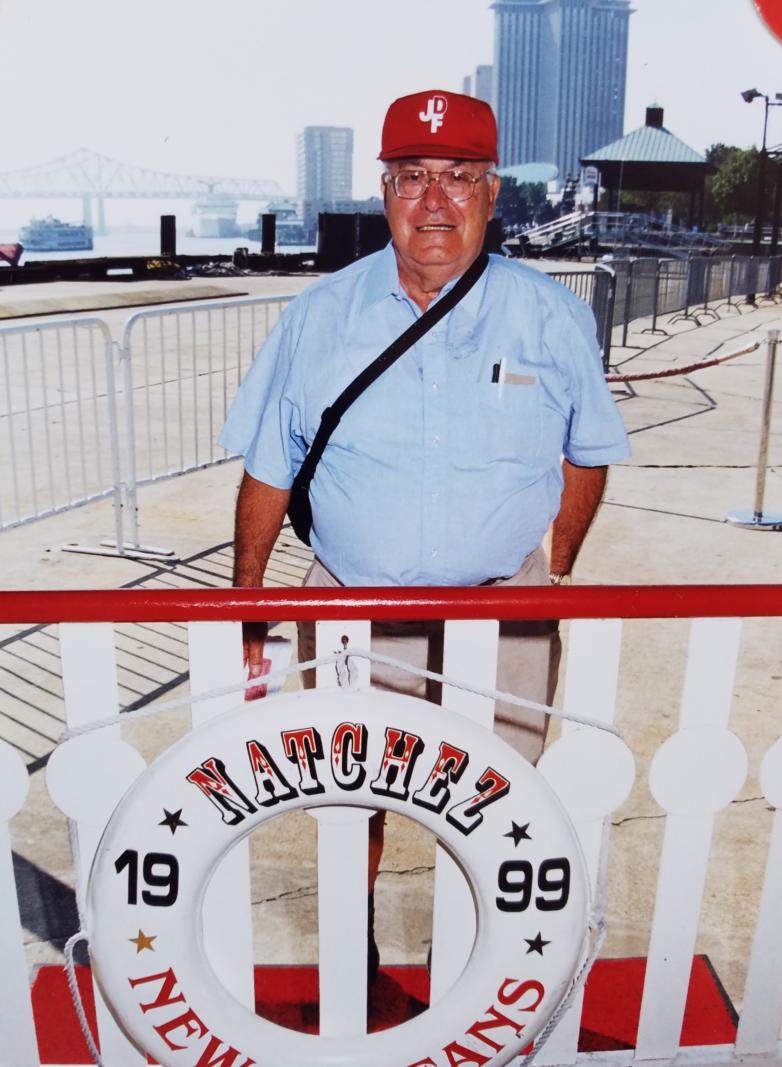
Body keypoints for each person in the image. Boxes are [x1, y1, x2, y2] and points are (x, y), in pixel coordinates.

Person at [220, 88, 630, 979]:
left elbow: (588, 453)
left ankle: (463, 969)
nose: (434, 201)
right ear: (384, 191)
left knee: (492, 797)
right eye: (412, 177)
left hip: (503, 616)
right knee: (346, 794)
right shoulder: (317, 316)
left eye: (458, 177)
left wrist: (546, 576)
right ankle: (351, 964)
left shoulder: (550, 316)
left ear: (491, 193)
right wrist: (250, 608)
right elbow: (267, 468)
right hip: (354, 606)